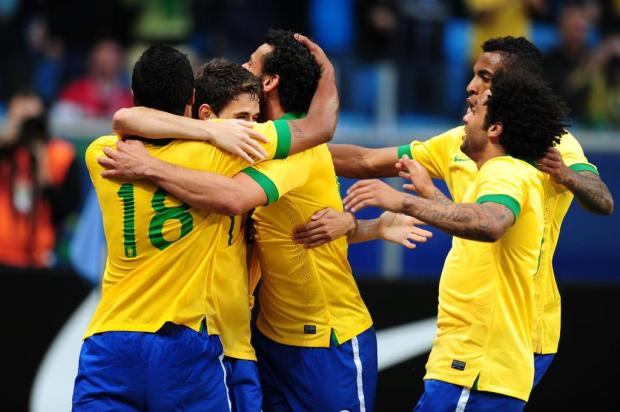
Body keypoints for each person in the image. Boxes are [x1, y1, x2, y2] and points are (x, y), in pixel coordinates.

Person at [100, 30, 413, 412]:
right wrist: (362, 226)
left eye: (251, 63)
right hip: (261, 338)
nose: (242, 68)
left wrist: (357, 223)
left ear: (269, 82)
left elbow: (236, 195)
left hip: (326, 341)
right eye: (237, 118)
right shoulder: (232, 147)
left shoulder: (277, 148)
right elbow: (130, 117)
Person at [310, 37, 614, 390]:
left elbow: (602, 200)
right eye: (473, 75)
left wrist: (568, 175)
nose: (471, 86)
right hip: (467, 325)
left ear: (514, 83)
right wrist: (287, 144)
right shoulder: (464, 140)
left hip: (514, 329)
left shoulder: (549, 148)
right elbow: (365, 160)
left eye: (485, 77)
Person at [73, 40, 337, 410]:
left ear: (133, 94)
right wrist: (327, 72)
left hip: (109, 339)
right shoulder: (227, 152)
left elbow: (124, 120)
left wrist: (206, 130)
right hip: (185, 338)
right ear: (195, 101)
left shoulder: (103, 153)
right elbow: (320, 127)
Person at [344, 68, 568, 410]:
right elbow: (480, 230)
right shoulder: (511, 174)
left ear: (495, 129)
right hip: (479, 365)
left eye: (474, 113)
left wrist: (403, 201)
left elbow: (490, 224)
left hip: (476, 364)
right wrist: (430, 193)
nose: (465, 116)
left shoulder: (505, 172)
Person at [0, 91, 80, 269]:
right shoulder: (5, 152)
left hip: (40, 256)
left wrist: (44, 173)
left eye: (33, 121)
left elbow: (68, 208)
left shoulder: (60, 154)